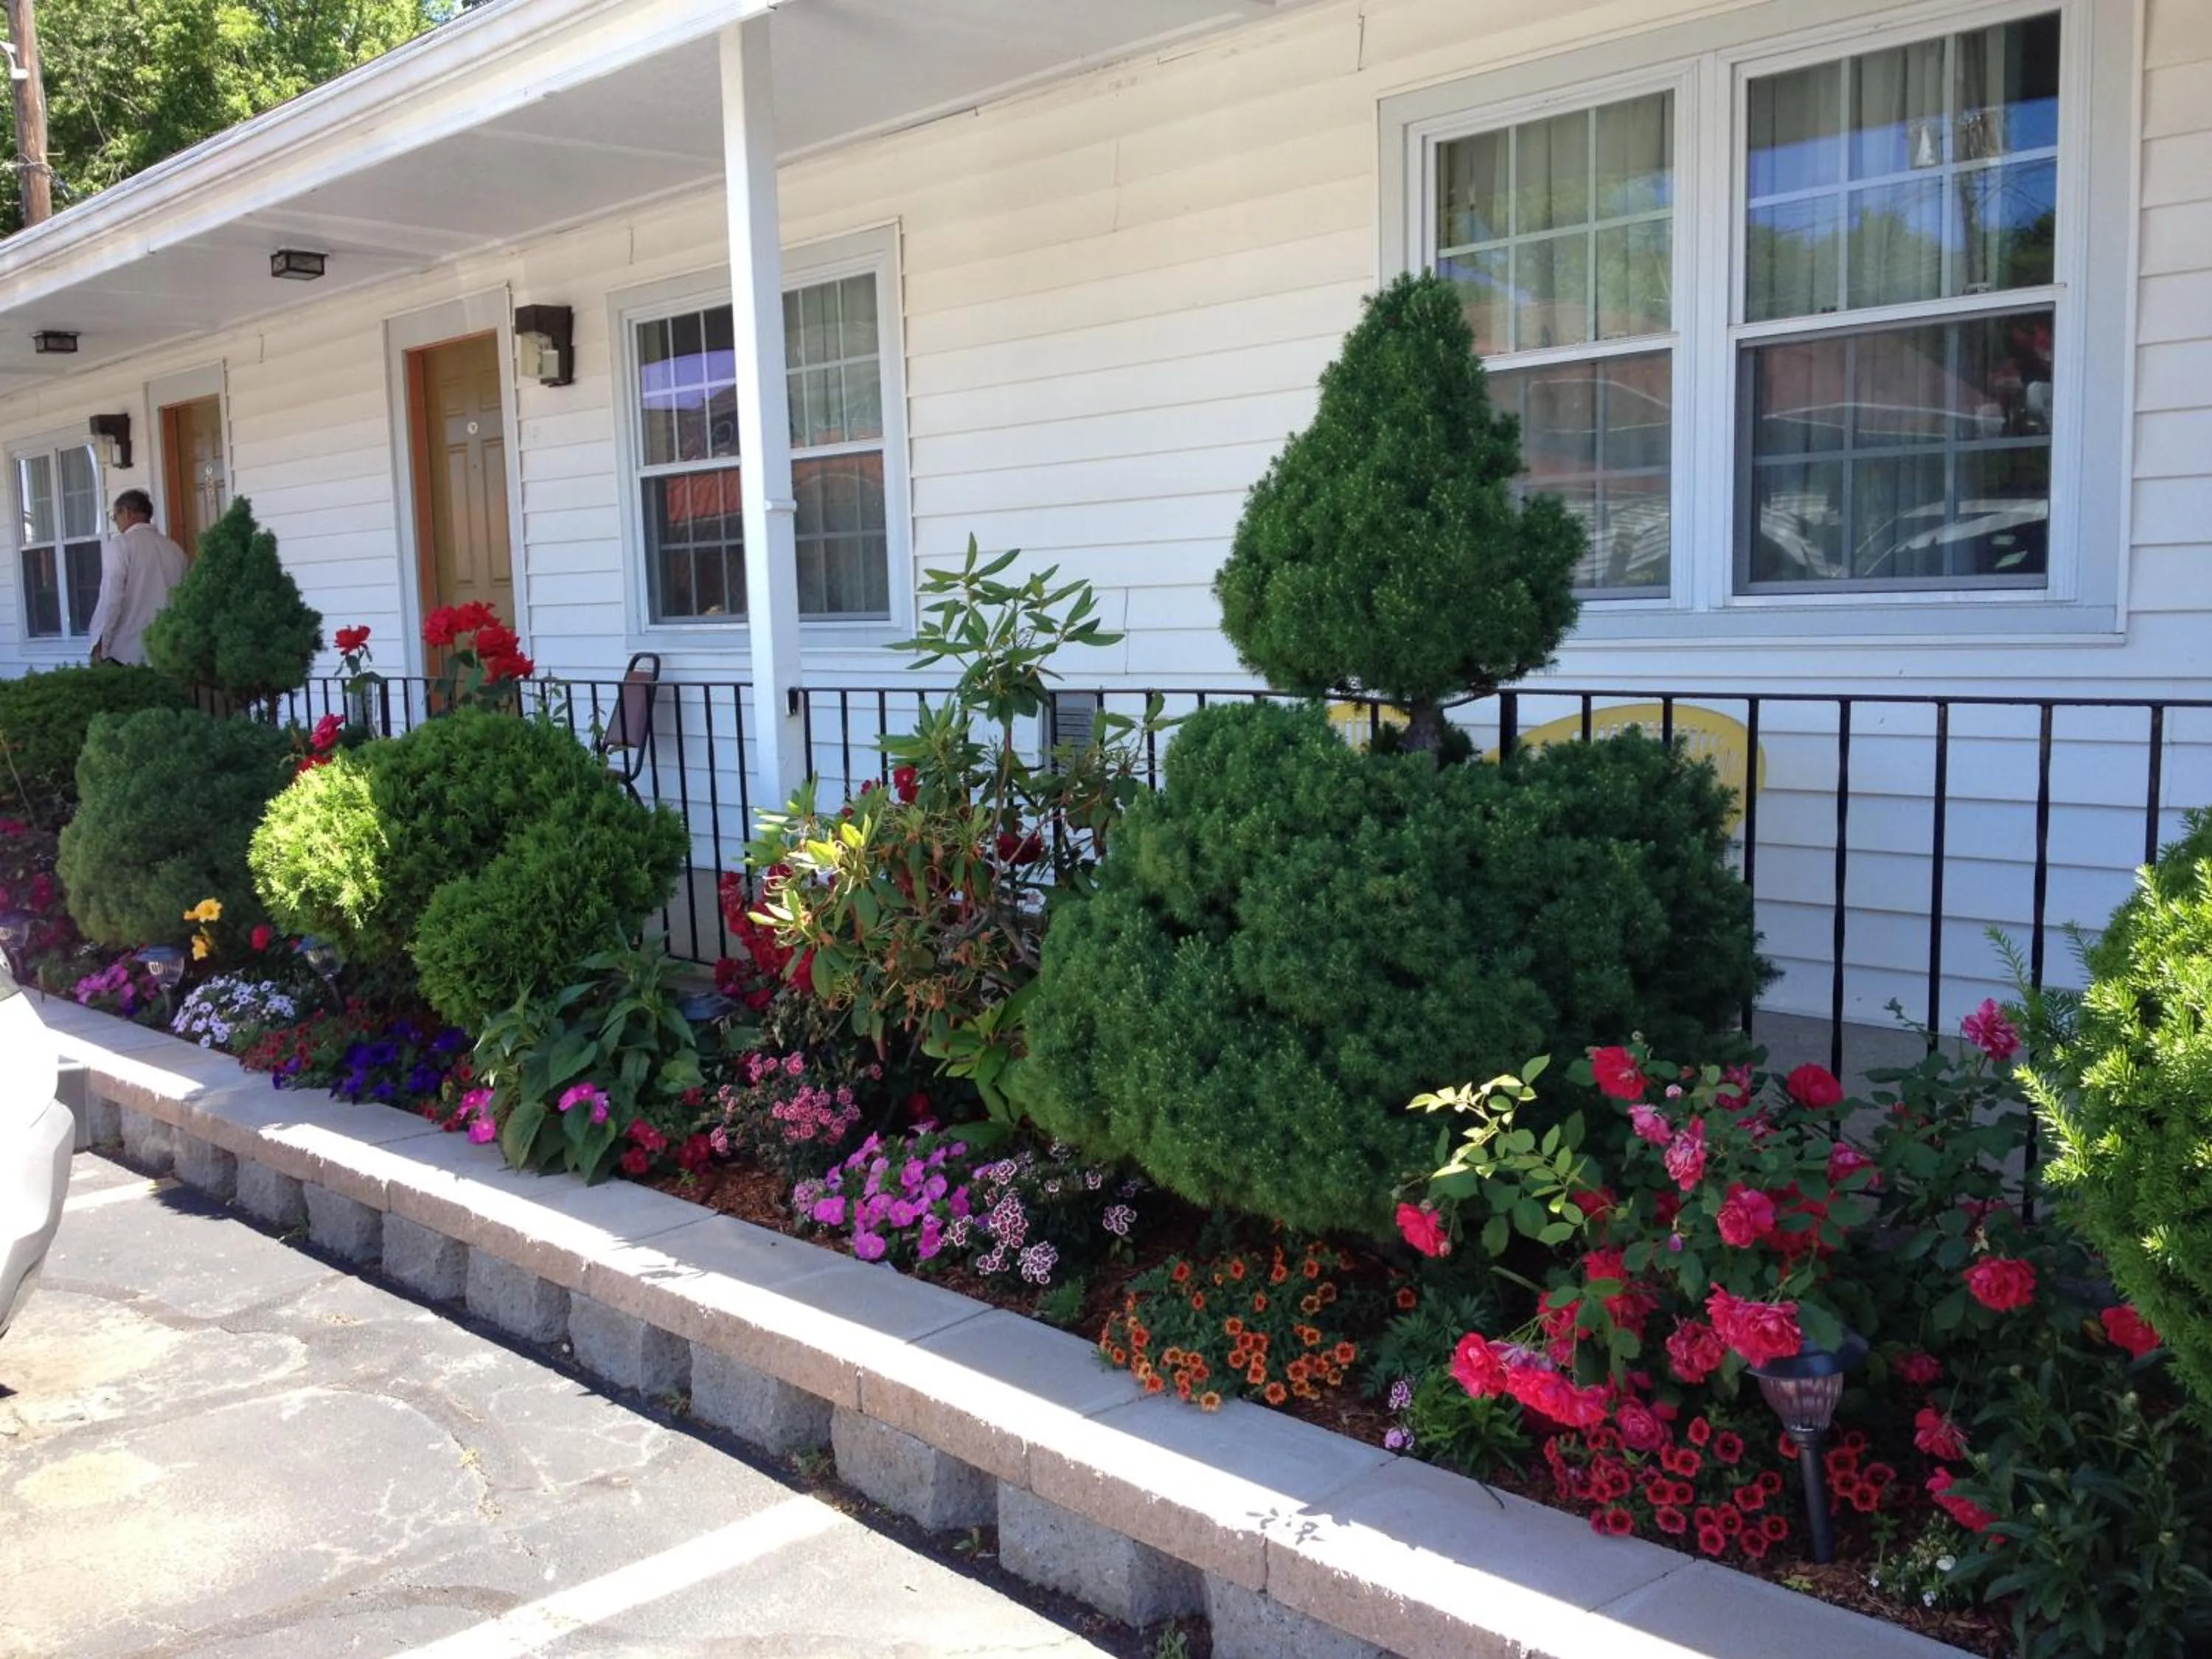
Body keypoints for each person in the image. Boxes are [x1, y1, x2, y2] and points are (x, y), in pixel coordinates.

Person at [86, 490, 188, 665]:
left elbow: (111, 600)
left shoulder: (120, 546)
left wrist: (99, 644)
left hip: (127, 653)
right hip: (167, 651)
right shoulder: (175, 550)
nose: (116, 523)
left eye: (115, 517)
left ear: (127, 513)